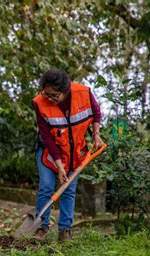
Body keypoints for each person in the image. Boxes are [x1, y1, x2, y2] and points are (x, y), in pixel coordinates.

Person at [32, 69, 105, 242]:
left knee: (68, 190)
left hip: (74, 153)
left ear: (65, 91)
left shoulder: (84, 93)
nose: (49, 98)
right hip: (49, 153)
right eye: (46, 93)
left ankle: (65, 230)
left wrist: (96, 133)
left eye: (54, 95)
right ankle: (41, 227)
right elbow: (47, 137)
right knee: (47, 187)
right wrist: (59, 165)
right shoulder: (40, 103)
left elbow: (96, 112)